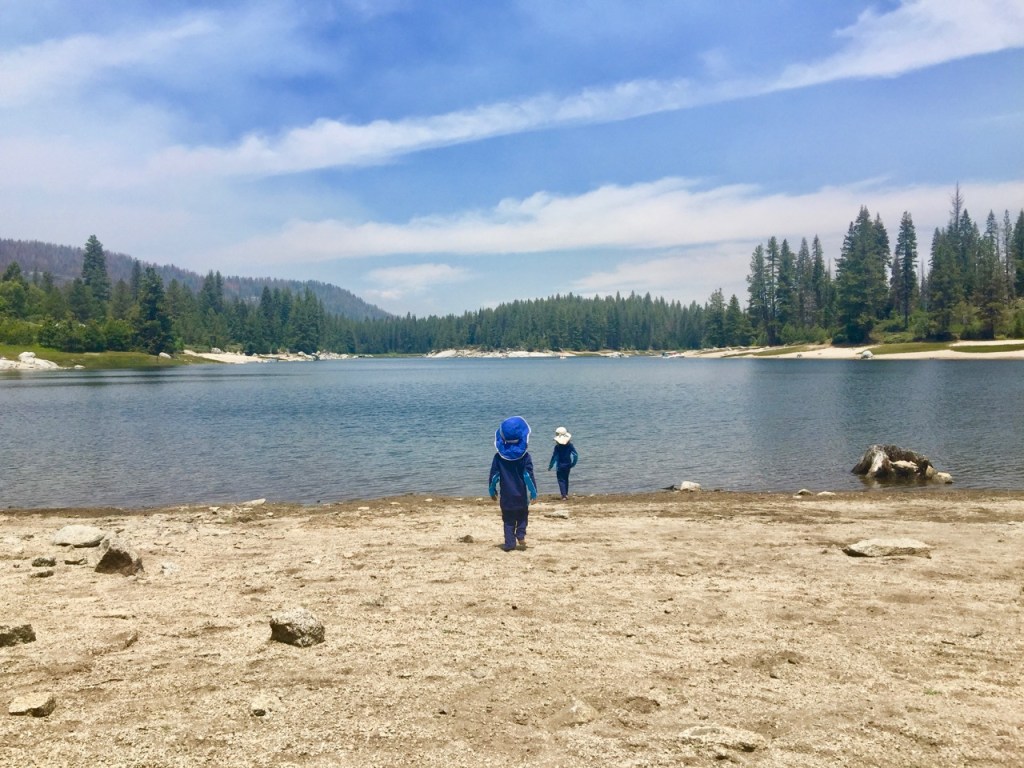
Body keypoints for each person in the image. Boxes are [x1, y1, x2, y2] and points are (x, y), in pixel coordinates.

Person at [488, 416, 537, 552]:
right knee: (523, 516)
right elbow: (528, 476)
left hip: (506, 497)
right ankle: (520, 534)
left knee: (508, 521)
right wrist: (533, 493)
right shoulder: (525, 457)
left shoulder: (498, 458)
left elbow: (494, 477)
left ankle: (509, 544)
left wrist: (492, 491)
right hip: (521, 496)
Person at [548, 426, 578, 500]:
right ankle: (566, 494)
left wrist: (550, 466)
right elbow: (575, 455)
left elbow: (554, 457)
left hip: (560, 466)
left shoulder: (557, 447)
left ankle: (563, 495)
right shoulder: (570, 446)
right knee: (566, 479)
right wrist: (573, 463)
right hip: (568, 465)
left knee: (561, 480)